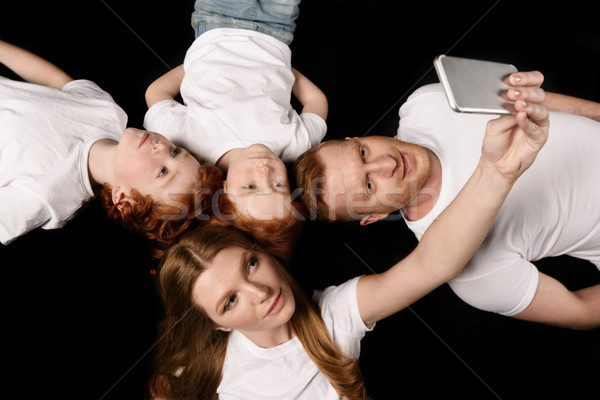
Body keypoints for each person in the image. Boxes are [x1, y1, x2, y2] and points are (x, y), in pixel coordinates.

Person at [150, 89, 549, 399]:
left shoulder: (334, 316)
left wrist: (495, 173)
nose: (260, 292)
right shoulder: (222, 380)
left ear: (265, 254)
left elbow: (431, 264)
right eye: (230, 301)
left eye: (250, 265)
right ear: (218, 324)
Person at [295, 71, 600, 330]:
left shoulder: (425, 101)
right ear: (374, 216)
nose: (386, 163)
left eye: (363, 154)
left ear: (356, 139)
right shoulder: (471, 275)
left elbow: (543, 104)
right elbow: (581, 312)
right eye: (370, 185)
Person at [143, 0, 328, 254]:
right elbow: (317, 103)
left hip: (217, 21)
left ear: (225, 191)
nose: (264, 171)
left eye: (250, 187)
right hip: (276, 29)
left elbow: (156, 93)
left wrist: (195, 63)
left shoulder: (192, 146)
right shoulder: (294, 145)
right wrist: (284, 68)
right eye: (278, 186)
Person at [0, 40, 223, 246]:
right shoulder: (110, 114)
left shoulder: (52, 195)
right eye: (175, 152)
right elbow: (55, 81)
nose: (163, 147)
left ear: (123, 200)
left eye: (163, 171)